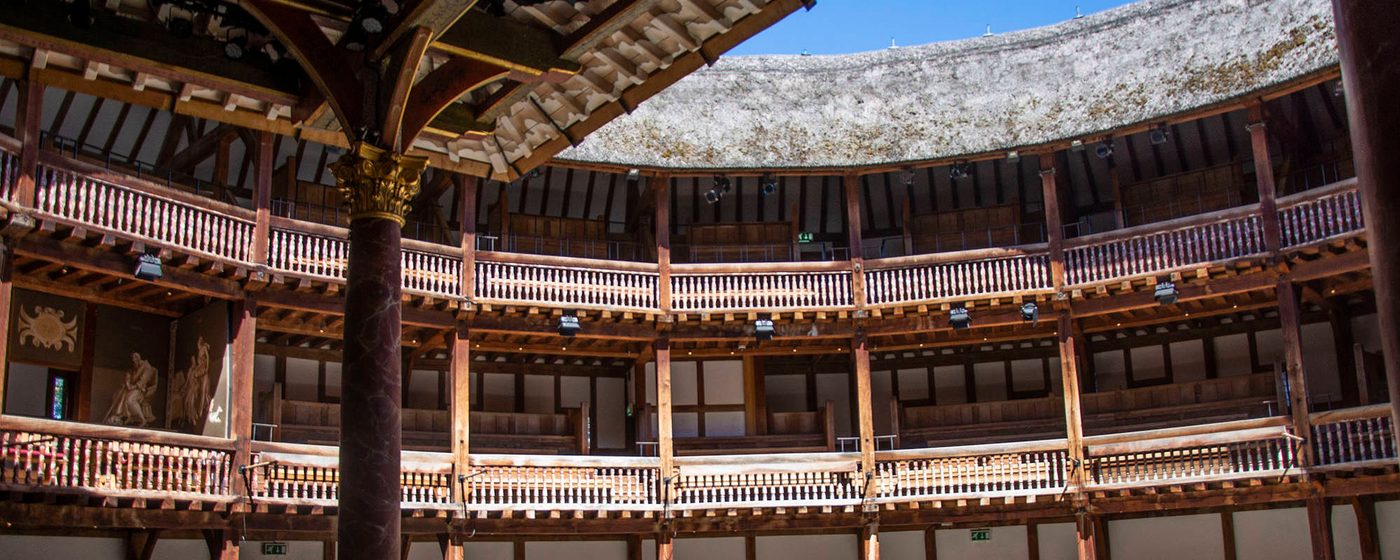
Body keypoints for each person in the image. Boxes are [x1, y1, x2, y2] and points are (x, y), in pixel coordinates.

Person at [103, 352, 158, 426]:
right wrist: (127, 383)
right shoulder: (133, 368)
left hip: (140, 389)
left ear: (138, 358)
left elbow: (143, 381)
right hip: (130, 388)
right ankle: (121, 416)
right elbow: (128, 375)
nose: (133, 361)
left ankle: (142, 419)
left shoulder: (146, 367)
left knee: (130, 399)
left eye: (134, 359)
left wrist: (134, 386)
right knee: (118, 395)